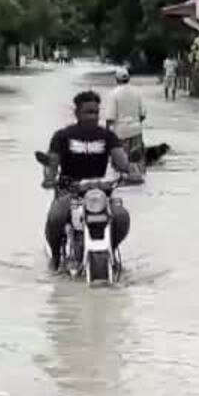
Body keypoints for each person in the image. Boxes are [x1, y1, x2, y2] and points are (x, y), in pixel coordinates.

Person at [43, 90, 139, 270]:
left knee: (121, 217)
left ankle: (111, 248)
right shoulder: (62, 136)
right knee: (55, 217)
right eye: (88, 112)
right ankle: (55, 257)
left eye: (95, 112)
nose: (93, 116)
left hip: (100, 193)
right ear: (77, 113)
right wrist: (49, 178)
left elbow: (122, 161)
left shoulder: (108, 136)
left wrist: (132, 172)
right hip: (70, 191)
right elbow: (52, 163)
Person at [106, 68, 147, 169]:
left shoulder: (113, 94)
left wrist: (107, 134)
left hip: (120, 132)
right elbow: (143, 114)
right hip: (136, 131)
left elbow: (110, 117)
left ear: (116, 79)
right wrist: (136, 122)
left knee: (120, 165)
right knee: (137, 163)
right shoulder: (137, 92)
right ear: (129, 78)